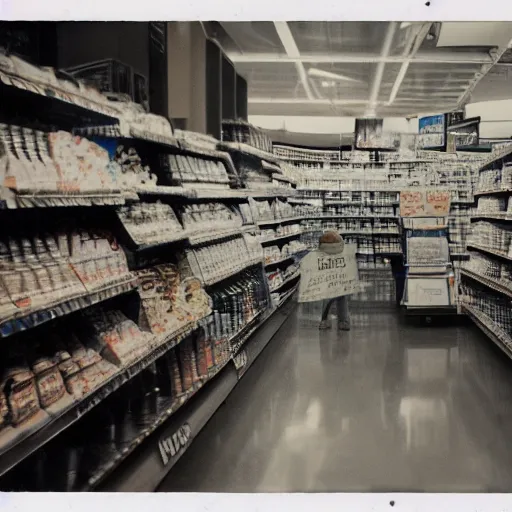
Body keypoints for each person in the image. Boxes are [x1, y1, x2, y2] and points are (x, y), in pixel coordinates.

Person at [317, 230, 351, 331]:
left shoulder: (323, 246)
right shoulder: (340, 244)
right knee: (341, 297)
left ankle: (325, 320)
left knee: (327, 297)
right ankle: (344, 321)